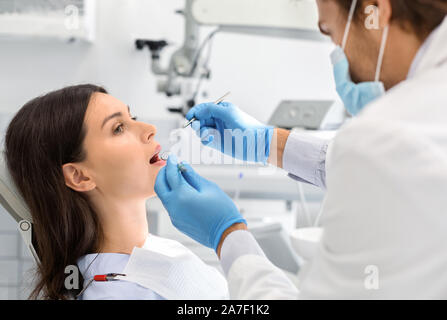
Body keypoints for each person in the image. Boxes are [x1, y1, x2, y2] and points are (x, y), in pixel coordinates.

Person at [155, 0, 447, 299]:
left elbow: (382, 162)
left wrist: (228, 236)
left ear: (375, 11)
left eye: (330, 32)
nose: (338, 53)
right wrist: (268, 143)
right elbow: (388, 169)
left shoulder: (389, 137)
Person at [4, 84, 228, 300]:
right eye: (118, 128)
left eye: (133, 118)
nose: (151, 130)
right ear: (79, 176)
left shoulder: (150, 251)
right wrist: (231, 233)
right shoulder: (118, 293)